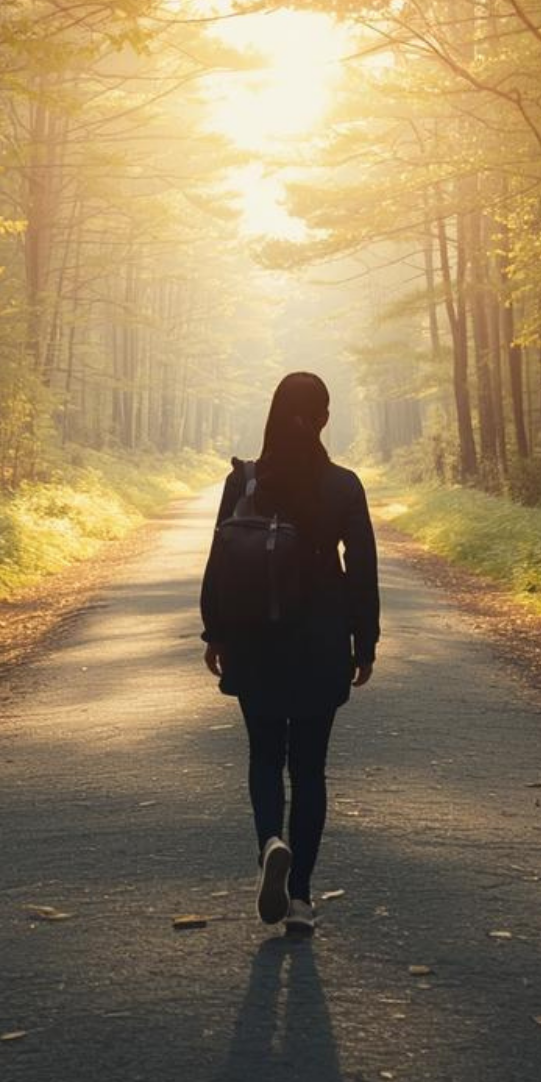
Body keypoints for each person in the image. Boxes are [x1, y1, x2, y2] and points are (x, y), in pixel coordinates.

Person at [199, 372, 379, 936]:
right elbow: (363, 572)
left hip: (254, 637)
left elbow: (219, 558)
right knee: (309, 768)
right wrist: (363, 641)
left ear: (273, 414)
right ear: (324, 418)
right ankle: (299, 897)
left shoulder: (245, 482)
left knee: (262, 757)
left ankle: (268, 847)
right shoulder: (344, 486)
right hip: (321, 639)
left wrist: (215, 632)